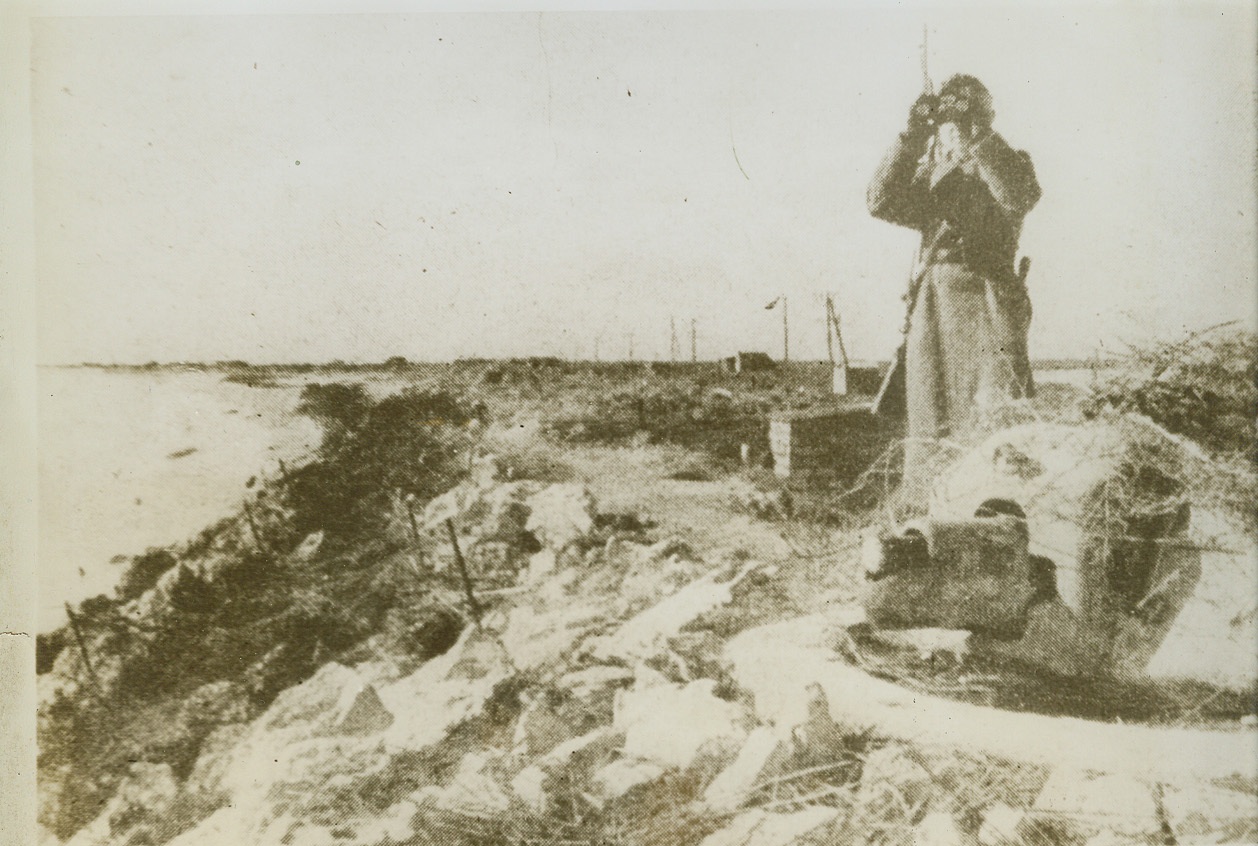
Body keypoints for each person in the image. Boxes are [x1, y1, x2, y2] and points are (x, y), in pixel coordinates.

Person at [868, 74, 1041, 489]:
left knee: (994, 415)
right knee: (930, 421)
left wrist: (977, 138)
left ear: (986, 119)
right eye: (947, 124)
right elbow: (880, 201)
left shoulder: (1009, 163)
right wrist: (912, 136)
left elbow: (1017, 196)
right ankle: (927, 514)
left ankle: (997, 505)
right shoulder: (934, 179)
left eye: (964, 118)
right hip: (934, 308)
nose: (953, 133)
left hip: (988, 301)